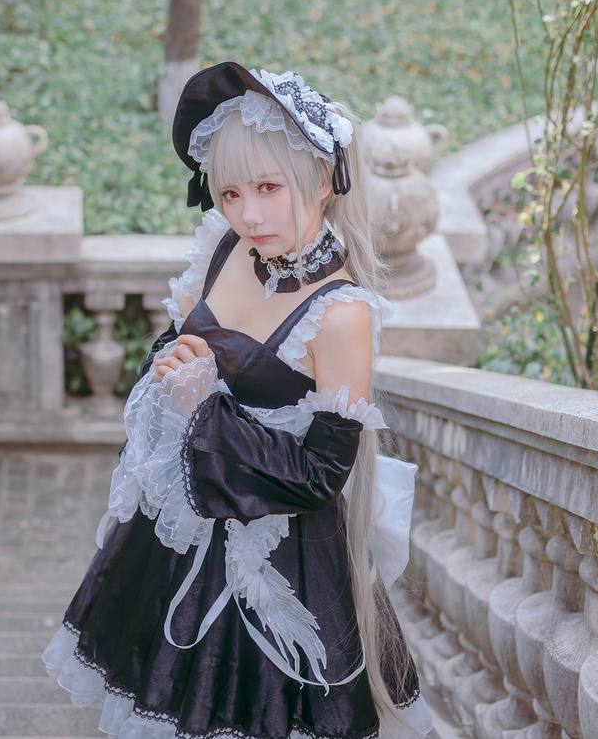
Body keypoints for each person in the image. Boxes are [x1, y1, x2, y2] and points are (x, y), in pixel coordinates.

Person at [40, 62, 433, 739]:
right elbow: (180, 347)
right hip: (177, 535)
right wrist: (174, 365)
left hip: (280, 556)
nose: (249, 214)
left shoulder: (340, 314)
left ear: (322, 178)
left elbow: (321, 475)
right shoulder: (225, 247)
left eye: (269, 187)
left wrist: (205, 409)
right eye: (230, 192)